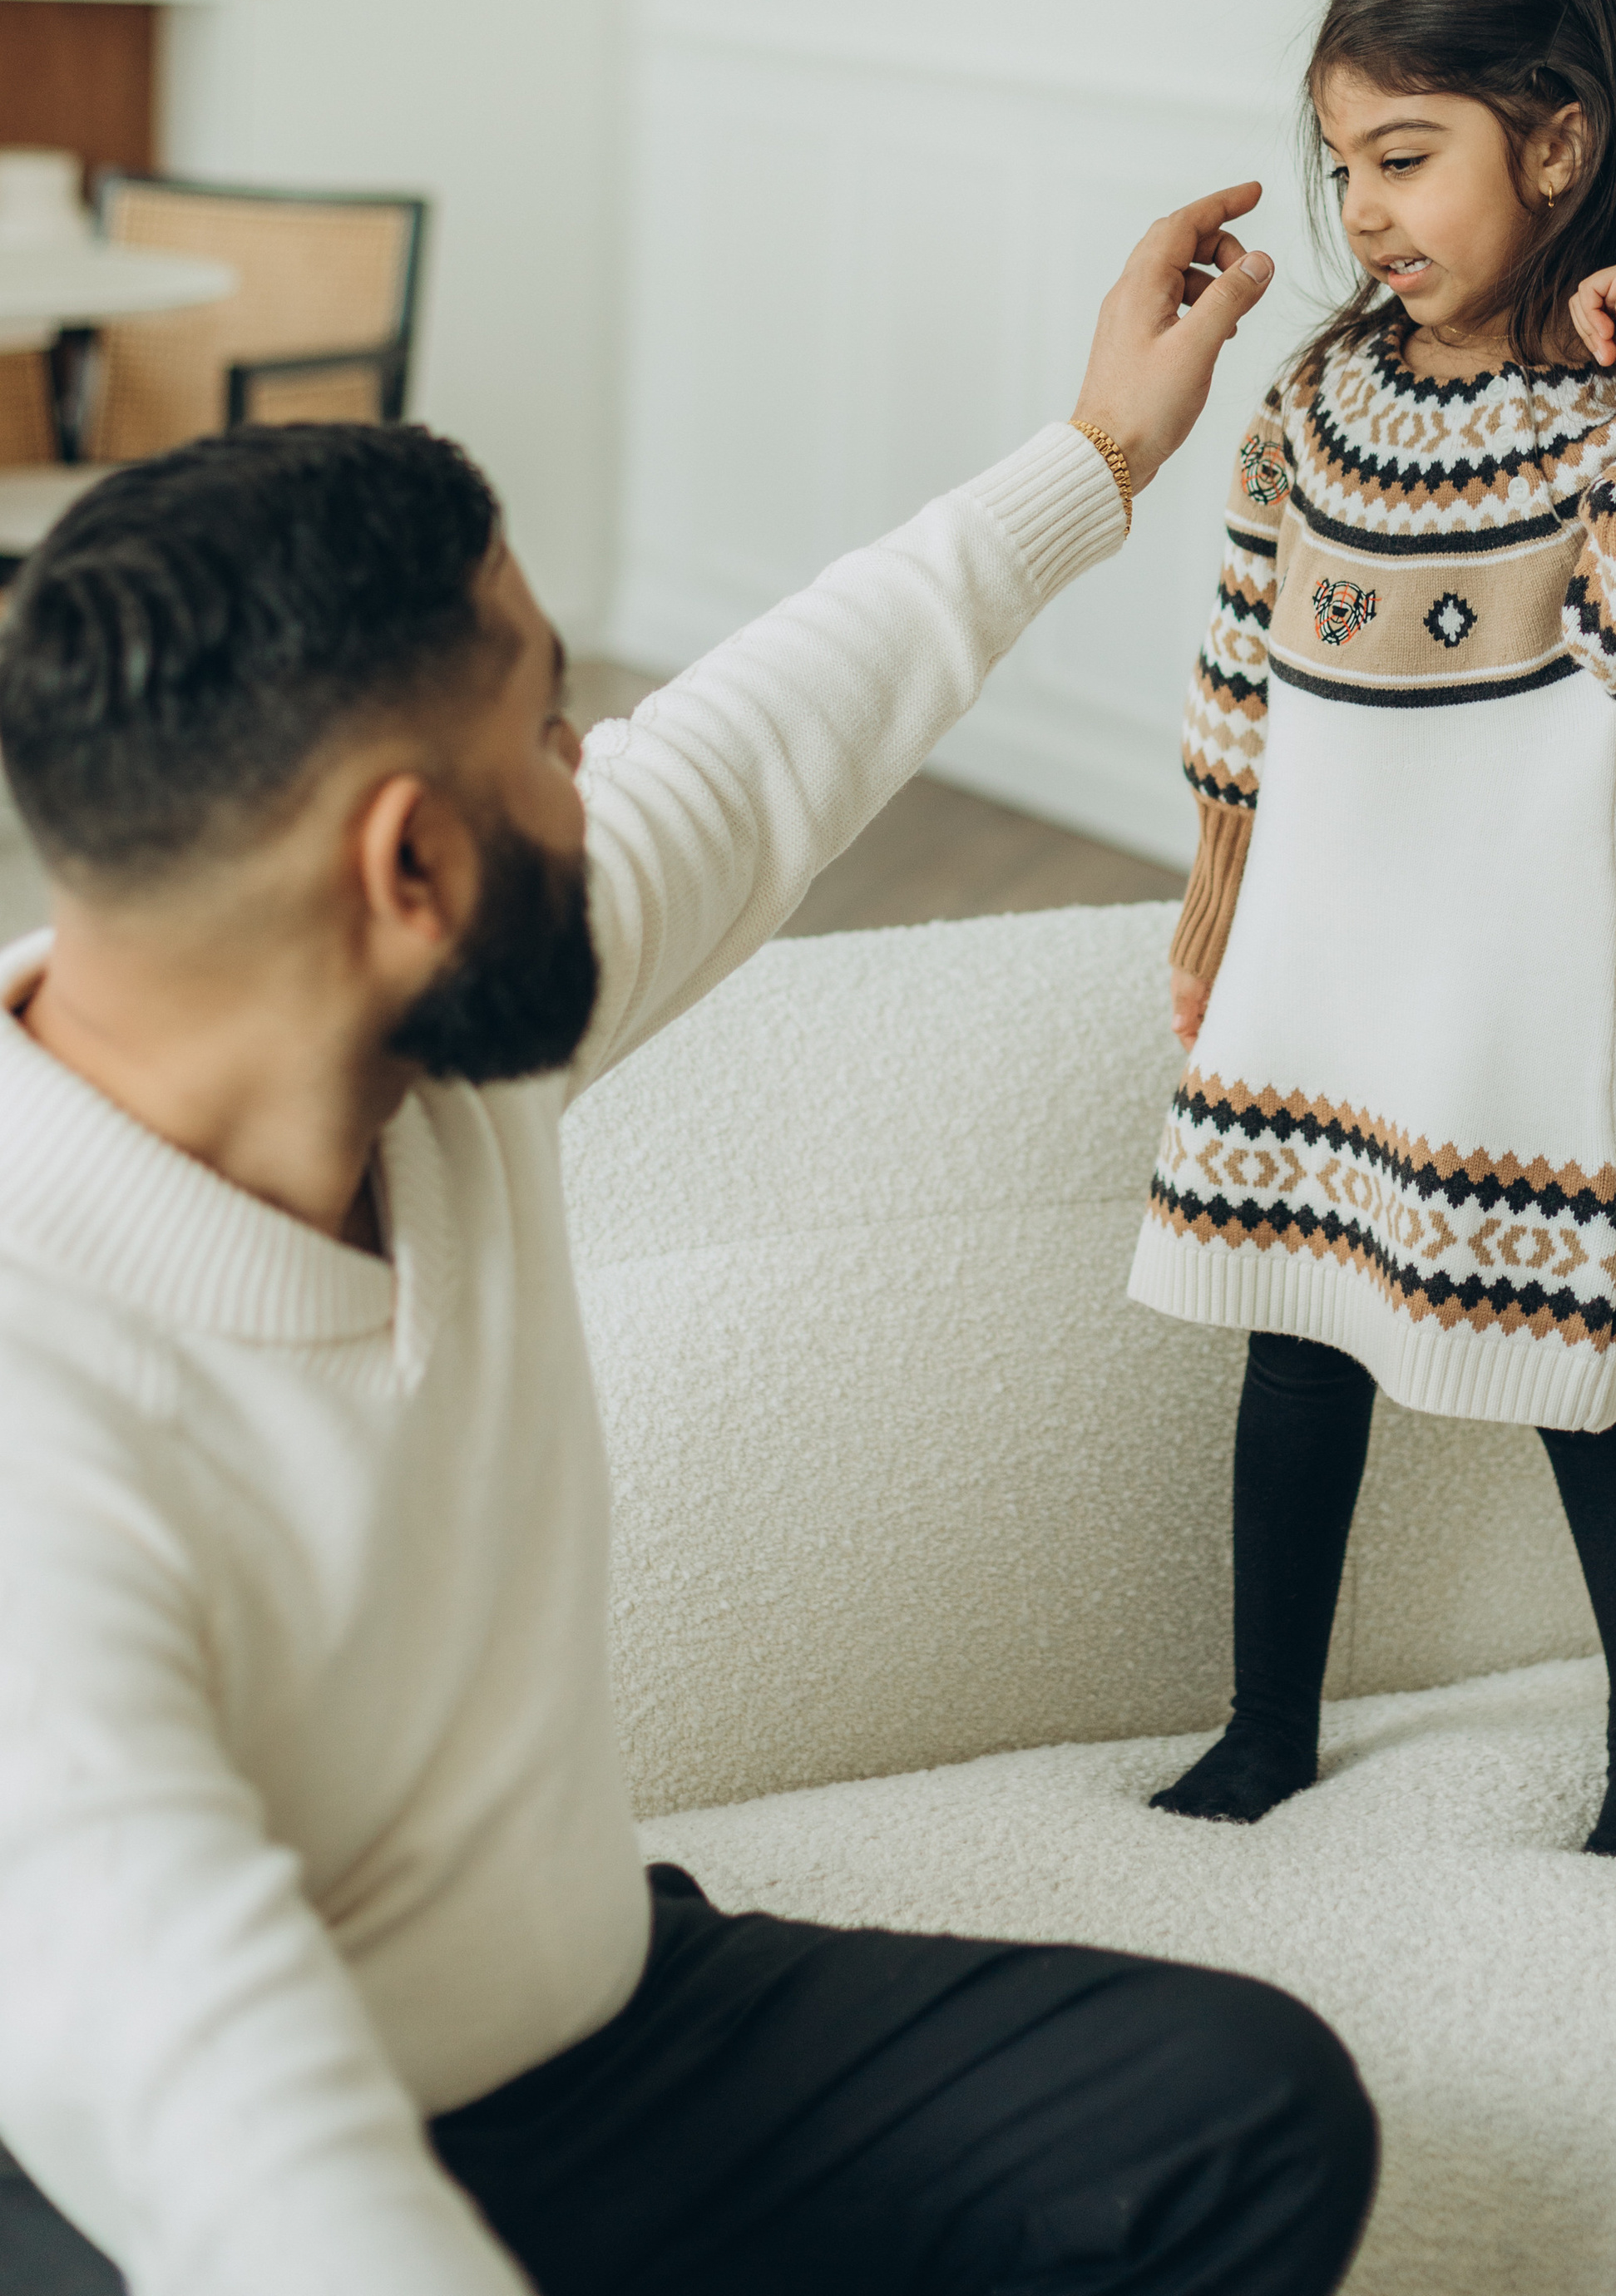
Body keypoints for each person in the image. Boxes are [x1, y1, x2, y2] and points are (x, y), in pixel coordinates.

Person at [0, 186, 1379, 2296]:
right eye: (550, 729)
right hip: (162, 2168)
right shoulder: (39, 1416)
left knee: (1235, 2119)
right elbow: (227, 2124)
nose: (594, 768)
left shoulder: (416, 1035)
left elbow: (743, 754)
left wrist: (1094, 455)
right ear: (411, 866)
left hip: (594, 2033)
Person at [1134, 0, 1616, 1858]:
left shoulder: (1609, 421)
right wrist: (1213, 904)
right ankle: (1263, 1726)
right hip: (1311, 949)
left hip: (1501, 972)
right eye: (1339, 164)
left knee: (1574, 1360)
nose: (1360, 208)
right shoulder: (1316, 403)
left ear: (1554, 145)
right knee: (1294, 1336)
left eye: (1404, 156)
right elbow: (1239, 680)